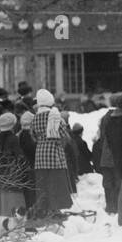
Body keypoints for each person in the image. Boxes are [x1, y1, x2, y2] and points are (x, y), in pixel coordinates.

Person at [32, 89, 72, 220]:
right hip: (54, 154)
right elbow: (64, 136)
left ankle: (43, 210)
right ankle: (55, 210)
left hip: (40, 156)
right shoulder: (55, 116)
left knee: (43, 184)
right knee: (56, 183)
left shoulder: (35, 118)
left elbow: (32, 135)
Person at [0, 111, 29, 237]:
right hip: (12, 175)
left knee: (1, 199)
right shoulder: (13, 138)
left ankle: (0, 225)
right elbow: (19, 157)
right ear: (12, 124)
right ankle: (14, 226)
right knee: (14, 200)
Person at [99, 93, 122, 227]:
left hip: (115, 156)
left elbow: (105, 138)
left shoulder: (109, 120)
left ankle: (119, 212)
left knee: (118, 185)